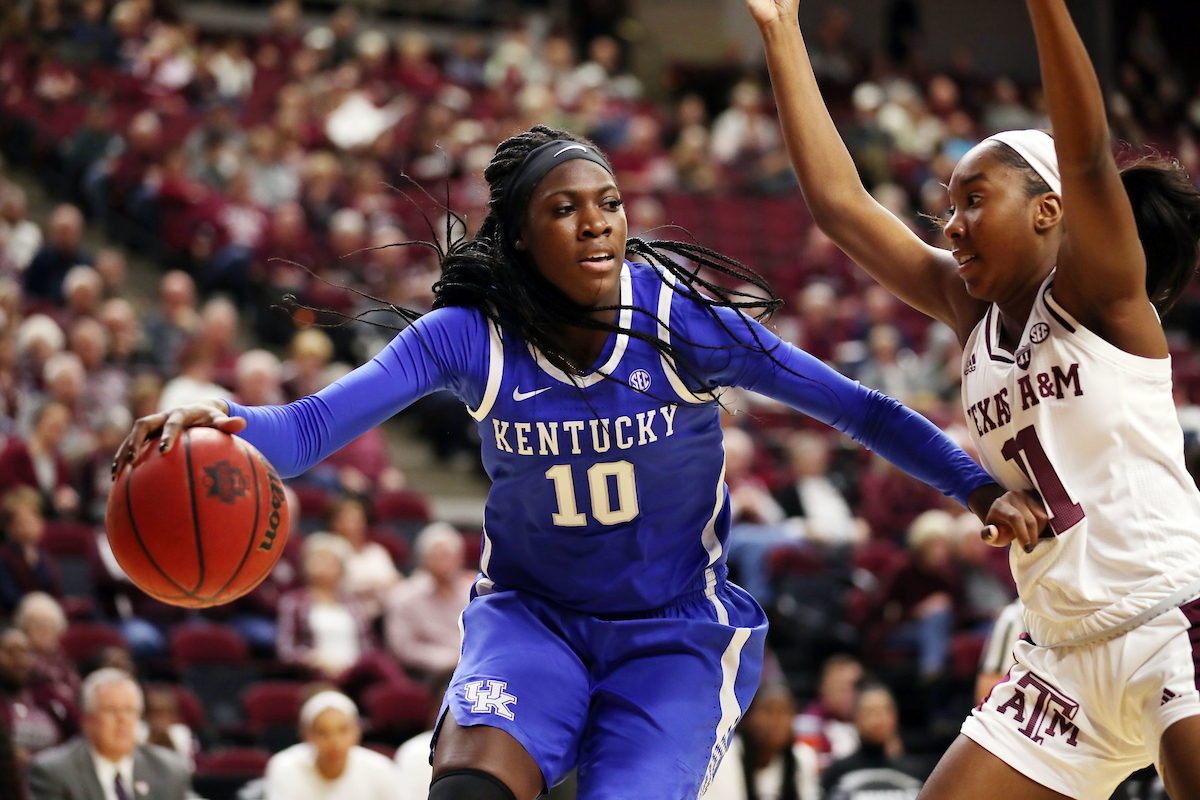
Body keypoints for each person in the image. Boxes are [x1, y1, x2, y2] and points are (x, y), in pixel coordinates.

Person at [116, 124, 1040, 800]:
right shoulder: (467, 336)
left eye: (610, 205)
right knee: (468, 790)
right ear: (520, 237)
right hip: (534, 620)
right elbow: (313, 427)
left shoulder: (682, 323)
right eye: (566, 210)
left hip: (673, 636)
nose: (598, 224)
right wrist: (217, 421)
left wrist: (974, 486)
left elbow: (858, 408)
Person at [747, 0, 1200, 798]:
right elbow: (842, 208)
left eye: (974, 200)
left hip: (1172, 615)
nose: (952, 225)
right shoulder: (971, 313)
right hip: (1058, 656)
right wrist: (782, 30)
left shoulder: (1102, 295)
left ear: (1049, 211)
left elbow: (1090, 156)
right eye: (948, 207)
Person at [26, 668, 191, 800]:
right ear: (87, 720)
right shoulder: (54, 772)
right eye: (111, 711)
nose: (123, 720)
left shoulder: (169, 769)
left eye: (130, 710)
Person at [263, 690, 396, 800]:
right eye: (322, 732)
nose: (335, 741)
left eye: (343, 730)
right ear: (306, 735)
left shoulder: (380, 768)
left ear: (357, 731)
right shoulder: (285, 766)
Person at [703, 681, 820, 800]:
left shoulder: (802, 759)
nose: (777, 721)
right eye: (768, 711)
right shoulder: (725, 756)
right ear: (747, 717)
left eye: (785, 712)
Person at [819, 682, 927, 800]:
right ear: (855, 717)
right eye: (869, 712)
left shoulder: (916, 773)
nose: (877, 719)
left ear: (894, 716)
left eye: (883, 711)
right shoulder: (837, 773)